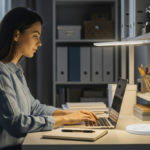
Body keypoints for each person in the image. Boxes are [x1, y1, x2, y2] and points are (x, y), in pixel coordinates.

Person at [0, 7, 98, 150]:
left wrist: (72, 113)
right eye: (35, 35)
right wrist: (67, 119)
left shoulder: (15, 70)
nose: (39, 43)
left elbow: (34, 108)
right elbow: (16, 124)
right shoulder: (2, 72)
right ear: (16, 35)